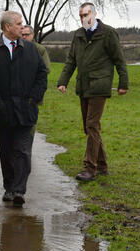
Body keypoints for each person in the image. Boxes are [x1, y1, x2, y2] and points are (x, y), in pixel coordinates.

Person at [0, 11, 47, 207]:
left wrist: (34, 97)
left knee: (23, 151)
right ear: (7, 27)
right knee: (6, 151)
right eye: (19, 24)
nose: (22, 28)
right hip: (2, 112)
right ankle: (9, 186)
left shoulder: (31, 50)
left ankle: (19, 190)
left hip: (26, 110)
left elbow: (42, 74)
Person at [57, 2, 128, 182]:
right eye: (81, 15)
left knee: (91, 124)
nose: (84, 18)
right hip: (83, 86)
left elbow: (119, 60)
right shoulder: (78, 35)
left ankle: (90, 168)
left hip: (100, 85)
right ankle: (102, 165)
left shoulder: (108, 33)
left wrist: (123, 83)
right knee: (89, 127)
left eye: (87, 15)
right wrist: (63, 81)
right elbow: (71, 61)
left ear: (94, 14)